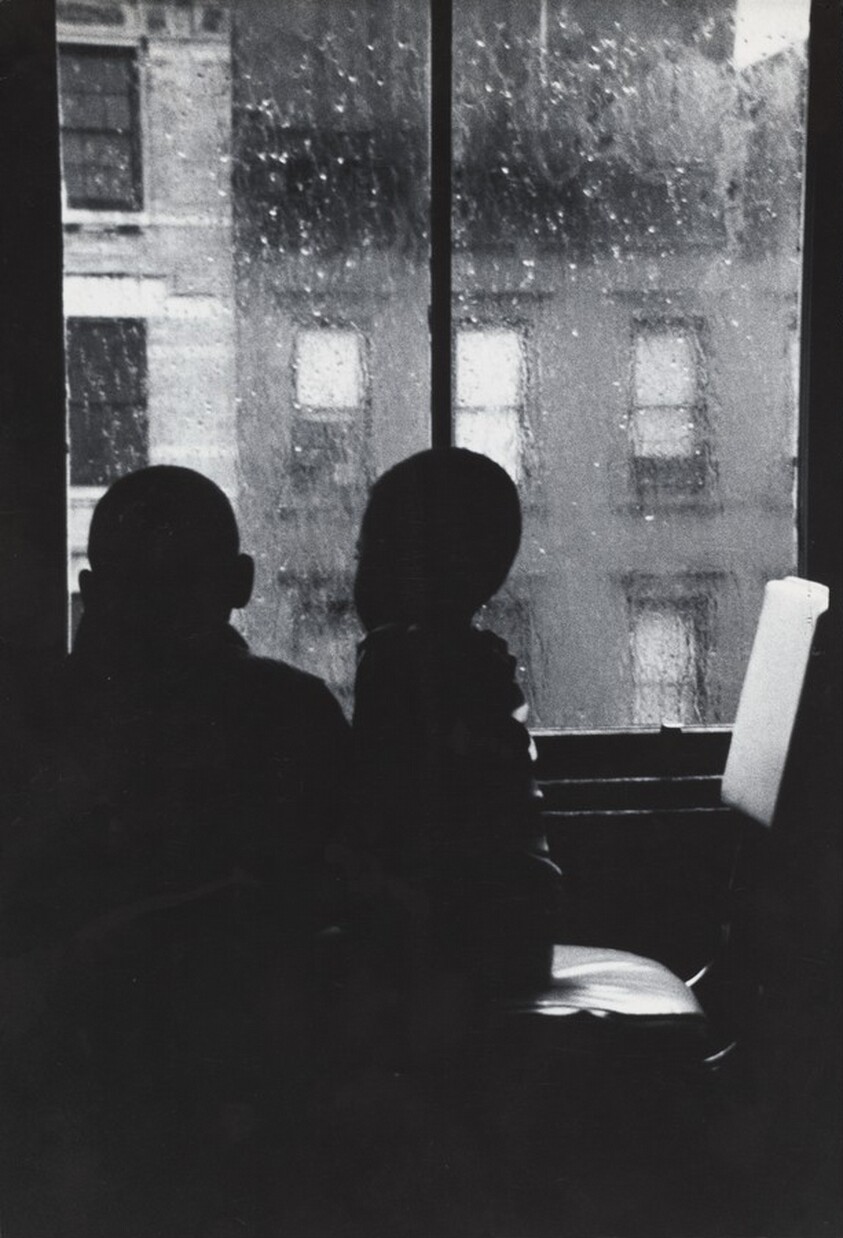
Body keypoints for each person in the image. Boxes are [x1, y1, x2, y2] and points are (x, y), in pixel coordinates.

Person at [0, 466, 352, 1236]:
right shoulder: (293, 712)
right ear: (240, 582)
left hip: (81, 1072)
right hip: (243, 1074)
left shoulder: (38, 724)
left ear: (91, 593)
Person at [351, 447, 564, 989]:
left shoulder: (412, 666)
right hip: (507, 927)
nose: (360, 579)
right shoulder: (470, 662)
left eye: (371, 556)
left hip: (466, 945)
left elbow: (390, 827)